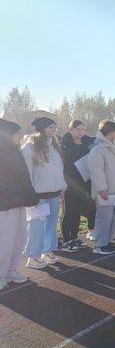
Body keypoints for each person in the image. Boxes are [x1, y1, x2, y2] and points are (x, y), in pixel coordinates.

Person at [22, 117, 67, 269]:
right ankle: (33, 256)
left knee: (51, 224)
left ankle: (47, 251)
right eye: (50, 127)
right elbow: (27, 173)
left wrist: (61, 188)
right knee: (36, 226)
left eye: (54, 127)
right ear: (41, 129)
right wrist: (30, 194)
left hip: (53, 194)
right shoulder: (29, 147)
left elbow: (59, 170)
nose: (53, 130)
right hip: (38, 196)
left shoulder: (54, 146)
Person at [0, 119, 39, 288]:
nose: (20, 136)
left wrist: (30, 196)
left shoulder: (15, 151)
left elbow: (24, 176)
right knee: (4, 240)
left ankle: (12, 269)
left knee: (19, 238)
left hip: (19, 201)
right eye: (17, 133)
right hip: (5, 204)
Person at [88, 120, 115, 255]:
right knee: (103, 218)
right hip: (105, 190)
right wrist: (102, 188)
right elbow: (95, 170)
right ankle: (100, 245)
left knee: (112, 217)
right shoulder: (98, 148)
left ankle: (107, 241)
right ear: (110, 131)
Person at [61, 120, 96, 252]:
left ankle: (74, 238)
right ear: (71, 130)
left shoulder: (88, 143)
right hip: (70, 183)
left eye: (82, 129)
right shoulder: (64, 145)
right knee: (68, 212)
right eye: (77, 129)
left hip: (84, 183)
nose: (80, 132)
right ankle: (66, 240)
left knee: (77, 212)